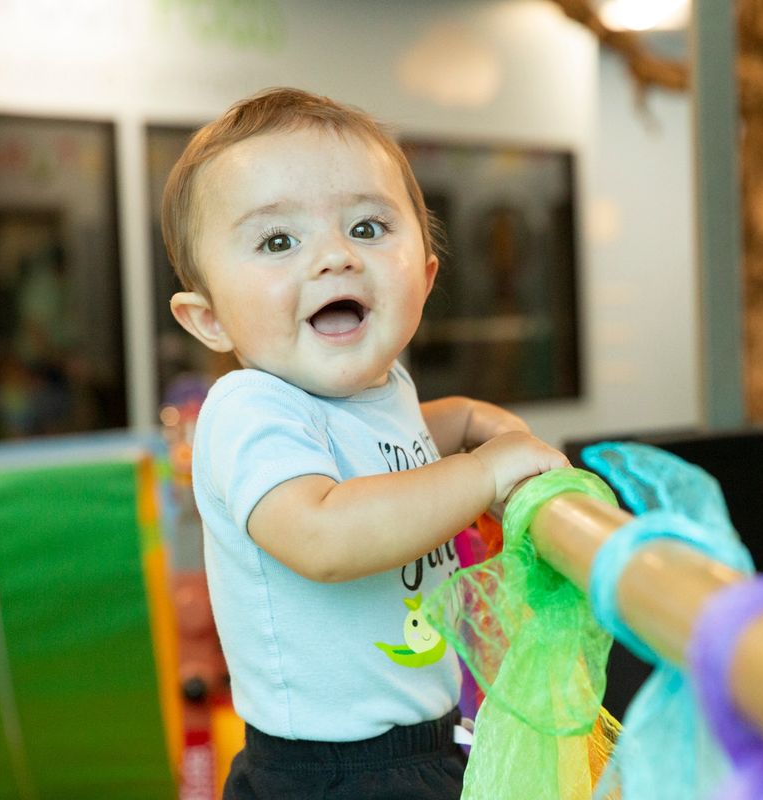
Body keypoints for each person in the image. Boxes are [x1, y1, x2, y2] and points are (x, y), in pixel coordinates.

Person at [162, 86, 569, 799]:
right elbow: (324, 535)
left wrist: (466, 420)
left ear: (427, 273)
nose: (335, 258)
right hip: (329, 773)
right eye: (278, 241)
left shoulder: (383, 390)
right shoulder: (247, 408)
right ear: (209, 320)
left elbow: (388, 443)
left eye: (369, 228)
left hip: (423, 744)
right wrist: (483, 471)